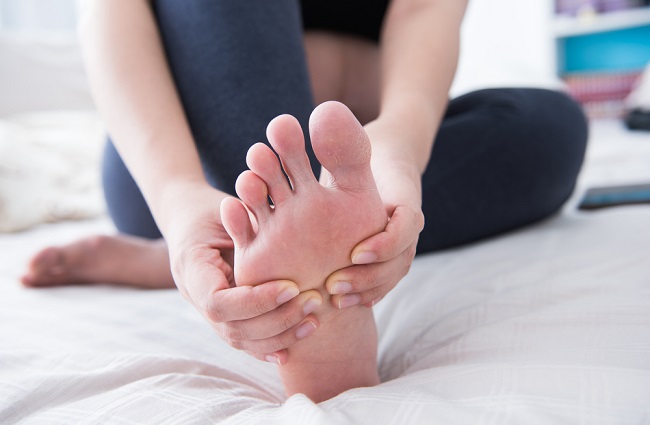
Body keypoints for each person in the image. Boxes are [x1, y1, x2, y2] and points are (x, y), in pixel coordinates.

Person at [20, 0, 588, 402]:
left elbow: (425, 11)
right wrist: (175, 195)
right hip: (183, 163)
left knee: (551, 126)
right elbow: (109, 11)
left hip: (360, 145)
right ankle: (298, 299)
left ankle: (262, 252)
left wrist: (400, 146)